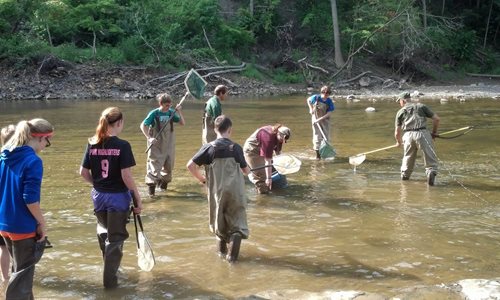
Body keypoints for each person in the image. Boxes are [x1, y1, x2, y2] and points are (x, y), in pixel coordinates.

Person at [80, 107, 143, 288]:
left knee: (104, 230)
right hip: (117, 198)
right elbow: (126, 177)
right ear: (119, 123)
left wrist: (98, 184)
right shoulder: (123, 145)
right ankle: (110, 286)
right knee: (116, 239)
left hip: (99, 196)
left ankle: (111, 268)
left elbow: (83, 172)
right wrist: (138, 198)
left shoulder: (92, 143)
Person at [0, 118, 53, 299]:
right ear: (41, 138)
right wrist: (42, 223)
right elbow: (30, 199)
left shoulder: (4, 155)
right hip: (22, 225)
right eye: (48, 140)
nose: (47, 144)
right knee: (22, 278)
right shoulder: (33, 161)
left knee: (20, 273)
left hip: (4, 224)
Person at [187, 115, 250, 262]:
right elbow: (246, 171)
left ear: (215, 129)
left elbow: (190, 165)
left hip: (216, 193)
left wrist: (202, 179)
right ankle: (232, 260)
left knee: (219, 226)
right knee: (238, 226)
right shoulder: (236, 148)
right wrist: (248, 169)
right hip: (235, 193)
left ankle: (221, 258)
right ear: (230, 130)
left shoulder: (209, 148)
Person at [140, 93, 185, 196]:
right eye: (166, 105)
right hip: (156, 145)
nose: (168, 107)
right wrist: (149, 138)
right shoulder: (154, 113)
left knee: (168, 167)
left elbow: (182, 123)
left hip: (169, 144)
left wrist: (179, 111)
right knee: (154, 168)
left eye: (170, 105)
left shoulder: (171, 113)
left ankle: (163, 193)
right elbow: (143, 125)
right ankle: (152, 196)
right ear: (160, 104)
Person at [394, 91, 440, 186]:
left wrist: (398, 142)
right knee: (429, 156)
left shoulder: (400, 112)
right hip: (422, 133)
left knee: (408, 157)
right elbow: (436, 119)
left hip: (408, 136)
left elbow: (397, 132)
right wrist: (434, 133)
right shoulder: (421, 106)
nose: (399, 104)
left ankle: (405, 175)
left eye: (399, 102)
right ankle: (431, 171)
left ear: (403, 101)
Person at [243, 124, 291, 194]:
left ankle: (272, 188)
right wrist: (268, 178)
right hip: (252, 150)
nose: (283, 142)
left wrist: (282, 165)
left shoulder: (280, 137)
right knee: (261, 177)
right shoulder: (268, 139)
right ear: (278, 133)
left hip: (263, 149)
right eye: (282, 140)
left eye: (284, 141)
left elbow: (278, 153)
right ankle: (263, 197)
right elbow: (267, 161)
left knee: (275, 169)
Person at [0, 124, 15, 283]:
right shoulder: (17, 161)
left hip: (0, 212)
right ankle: (16, 275)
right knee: (15, 248)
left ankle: (5, 279)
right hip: (13, 212)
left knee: (3, 247)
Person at [307, 86, 335, 159]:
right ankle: (318, 156)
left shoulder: (329, 101)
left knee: (326, 138)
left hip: (325, 121)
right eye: (324, 92)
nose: (325, 94)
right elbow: (308, 100)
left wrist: (320, 119)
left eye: (327, 93)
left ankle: (324, 154)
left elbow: (329, 113)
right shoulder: (316, 98)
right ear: (321, 92)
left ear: (329, 94)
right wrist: (310, 109)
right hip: (315, 120)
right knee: (317, 137)